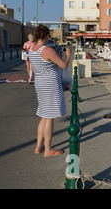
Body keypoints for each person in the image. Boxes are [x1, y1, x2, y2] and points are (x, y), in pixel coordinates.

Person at [28, 25, 71, 157]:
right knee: (49, 117)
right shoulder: (47, 50)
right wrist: (68, 56)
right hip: (50, 84)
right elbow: (63, 65)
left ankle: (38, 146)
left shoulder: (31, 50)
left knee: (44, 115)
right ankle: (48, 149)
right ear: (47, 36)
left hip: (40, 84)